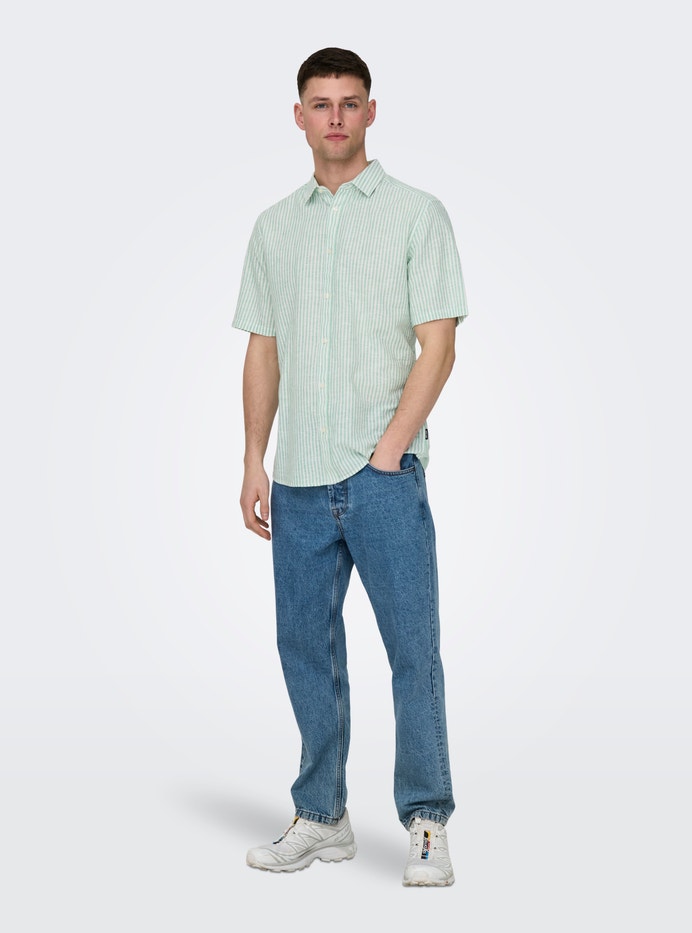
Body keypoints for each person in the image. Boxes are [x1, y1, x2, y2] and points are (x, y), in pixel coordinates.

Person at [232, 47, 468, 887]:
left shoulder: (416, 214)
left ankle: (427, 819)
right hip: (296, 477)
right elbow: (263, 350)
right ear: (299, 116)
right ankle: (323, 816)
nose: (335, 116)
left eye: (349, 101)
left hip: (383, 476)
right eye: (320, 103)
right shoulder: (274, 227)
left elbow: (438, 346)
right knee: (306, 649)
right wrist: (253, 458)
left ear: (371, 111)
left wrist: (390, 447)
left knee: (414, 650)